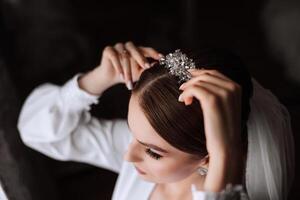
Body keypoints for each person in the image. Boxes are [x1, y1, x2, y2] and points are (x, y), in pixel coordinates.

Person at [17, 41, 295, 200]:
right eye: (132, 133)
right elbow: (36, 133)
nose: (128, 155)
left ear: (208, 158)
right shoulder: (140, 159)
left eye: (153, 151)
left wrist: (226, 152)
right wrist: (96, 79)